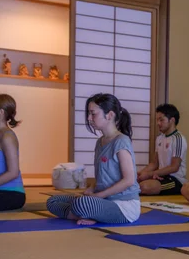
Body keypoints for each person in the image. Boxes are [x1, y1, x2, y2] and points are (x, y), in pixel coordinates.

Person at [47, 93, 140, 225]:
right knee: (53, 201)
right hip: (102, 201)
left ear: (110, 115)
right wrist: (91, 189)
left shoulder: (121, 141)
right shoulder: (100, 142)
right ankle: (88, 213)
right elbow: (104, 176)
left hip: (123, 206)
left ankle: (88, 212)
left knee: (82, 203)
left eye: (93, 113)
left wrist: (98, 196)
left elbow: (129, 180)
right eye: (89, 114)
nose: (89, 118)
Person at [137, 103, 187, 196]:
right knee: (135, 183)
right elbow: (154, 163)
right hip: (160, 176)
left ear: (172, 120)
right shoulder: (160, 138)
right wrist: (141, 173)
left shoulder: (178, 138)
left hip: (175, 179)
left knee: (143, 187)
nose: (158, 123)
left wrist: (149, 174)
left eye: (161, 120)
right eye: (157, 120)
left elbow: (174, 167)